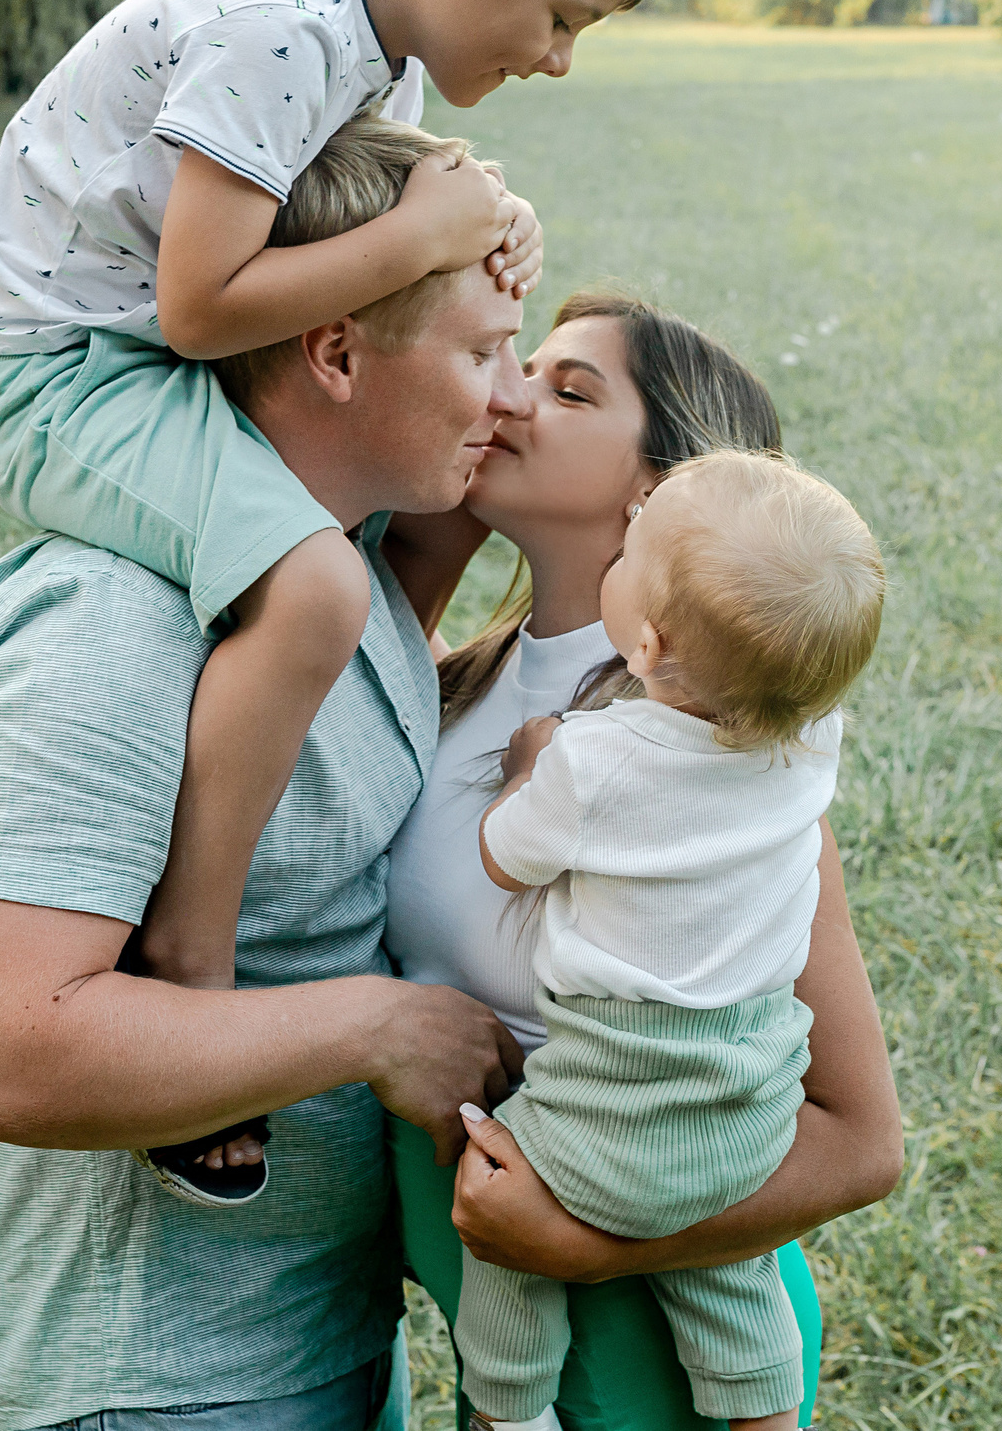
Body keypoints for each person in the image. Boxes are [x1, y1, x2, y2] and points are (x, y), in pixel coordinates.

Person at [0, 0, 670, 1199]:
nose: (557, 57)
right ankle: (192, 950)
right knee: (318, 587)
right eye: (560, 15)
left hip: (128, 352)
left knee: (380, 529)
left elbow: (356, 216)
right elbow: (201, 306)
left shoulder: (362, 39)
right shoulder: (278, 28)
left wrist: (484, 224)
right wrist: (413, 237)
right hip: (55, 372)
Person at [0, 115, 534, 1431]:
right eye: (484, 354)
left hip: (314, 1333)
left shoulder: (338, 561)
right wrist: (377, 1029)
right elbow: (2, 1054)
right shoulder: (109, 625)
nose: (514, 396)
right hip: (165, 1376)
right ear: (335, 352)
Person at [381, 292, 906, 1431]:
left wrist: (594, 1244)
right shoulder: (458, 682)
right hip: (497, 1325)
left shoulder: (718, 771)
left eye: (569, 391)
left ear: (663, 492)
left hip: (654, 1350)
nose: (508, 391)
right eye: (519, 363)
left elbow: (862, 1145)